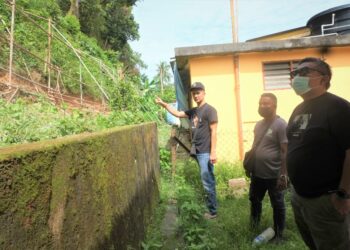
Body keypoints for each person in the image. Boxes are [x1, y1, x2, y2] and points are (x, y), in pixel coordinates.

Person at [287, 57, 350, 250]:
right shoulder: (299, 109)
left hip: (326, 198)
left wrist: (343, 193)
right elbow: (295, 145)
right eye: (294, 73)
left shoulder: (338, 107)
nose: (297, 77)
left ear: (323, 79)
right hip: (300, 195)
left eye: (304, 72)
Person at [155, 82, 218, 219]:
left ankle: (212, 212)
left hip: (206, 151)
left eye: (198, 92)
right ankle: (211, 206)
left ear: (204, 93)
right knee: (207, 179)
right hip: (197, 150)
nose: (195, 95)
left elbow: (214, 132)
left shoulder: (210, 110)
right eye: (193, 93)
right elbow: (177, 113)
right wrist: (164, 104)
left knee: (207, 181)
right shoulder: (194, 111)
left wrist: (213, 152)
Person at [248, 93, 288, 241]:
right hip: (257, 174)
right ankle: (254, 225)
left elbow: (285, 151)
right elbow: (255, 147)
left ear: (275, 106)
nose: (262, 106)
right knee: (254, 199)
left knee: (277, 204)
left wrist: (283, 175)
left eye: (266, 104)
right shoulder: (258, 125)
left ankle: (279, 234)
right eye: (260, 104)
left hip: (274, 174)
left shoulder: (281, 124)